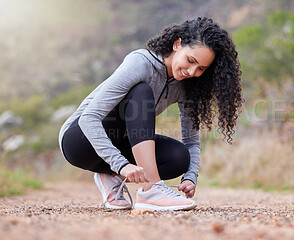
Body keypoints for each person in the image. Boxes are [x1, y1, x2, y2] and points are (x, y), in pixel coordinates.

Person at [58, 17, 243, 211]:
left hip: (118, 144)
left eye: (201, 69)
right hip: (79, 140)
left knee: (179, 157)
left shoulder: (188, 87)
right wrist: (121, 164)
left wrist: (190, 176)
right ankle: (152, 190)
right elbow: (89, 118)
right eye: (190, 61)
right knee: (141, 91)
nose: (192, 71)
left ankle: (111, 177)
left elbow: (192, 142)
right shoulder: (141, 63)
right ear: (177, 44)